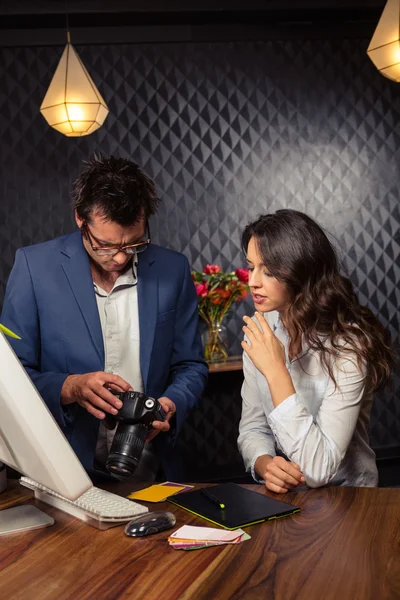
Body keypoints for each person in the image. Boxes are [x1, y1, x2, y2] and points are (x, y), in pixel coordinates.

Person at [1, 154, 208, 482]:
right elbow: (10, 379)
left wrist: (170, 403)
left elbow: (191, 366)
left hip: (151, 467)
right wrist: (71, 386)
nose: (121, 256)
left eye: (135, 243)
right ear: (80, 220)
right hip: (63, 468)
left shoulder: (173, 269)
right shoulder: (34, 267)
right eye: (106, 245)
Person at [238, 209, 395, 492]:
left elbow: (319, 468)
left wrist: (276, 371)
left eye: (269, 271)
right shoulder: (261, 332)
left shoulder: (348, 345)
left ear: (300, 270)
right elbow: (252, 428)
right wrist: (264, 463)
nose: (253, 281)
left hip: (352, 498)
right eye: (251, 267)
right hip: (292, 500)